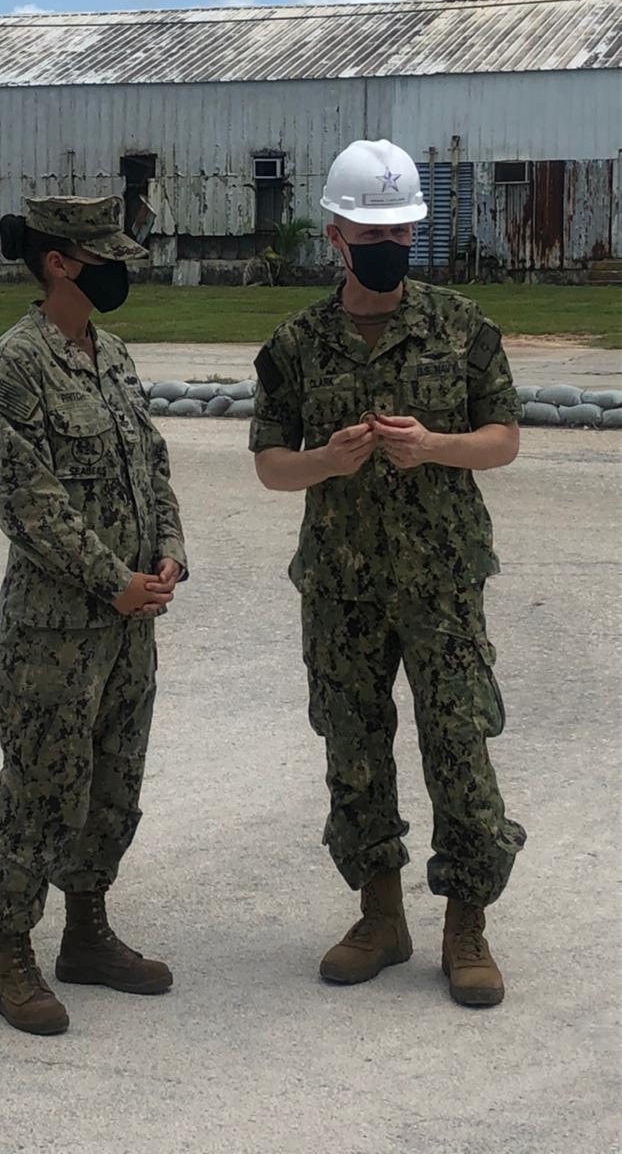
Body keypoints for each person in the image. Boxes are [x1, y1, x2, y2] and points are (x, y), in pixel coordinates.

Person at [251, 139, 526, 1008]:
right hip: (341, 585)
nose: (387, 245)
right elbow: (268, 463)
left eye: (401, 231)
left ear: (414, 231)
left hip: (442, 581)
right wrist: (325, 462)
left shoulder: (462, 325)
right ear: (335, 235)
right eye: (370, 231)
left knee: (458, 744)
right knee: (355, 749)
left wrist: (435, 447)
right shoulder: (295, 344)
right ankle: (379, 914)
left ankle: (466, 923)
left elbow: (505, 439)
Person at [0, 194, 187, 1036]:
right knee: (41, 784)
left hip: (130, 621)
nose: (118, 267)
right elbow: (30, 505)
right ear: (60, 261)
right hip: (57, 628)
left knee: (112, 779)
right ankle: (10, 952)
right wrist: (112, 580)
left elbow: (151, 465)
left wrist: (167, 551)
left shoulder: (114, 354)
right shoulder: (14, 367)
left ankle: (86, 932)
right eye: (104, 255)